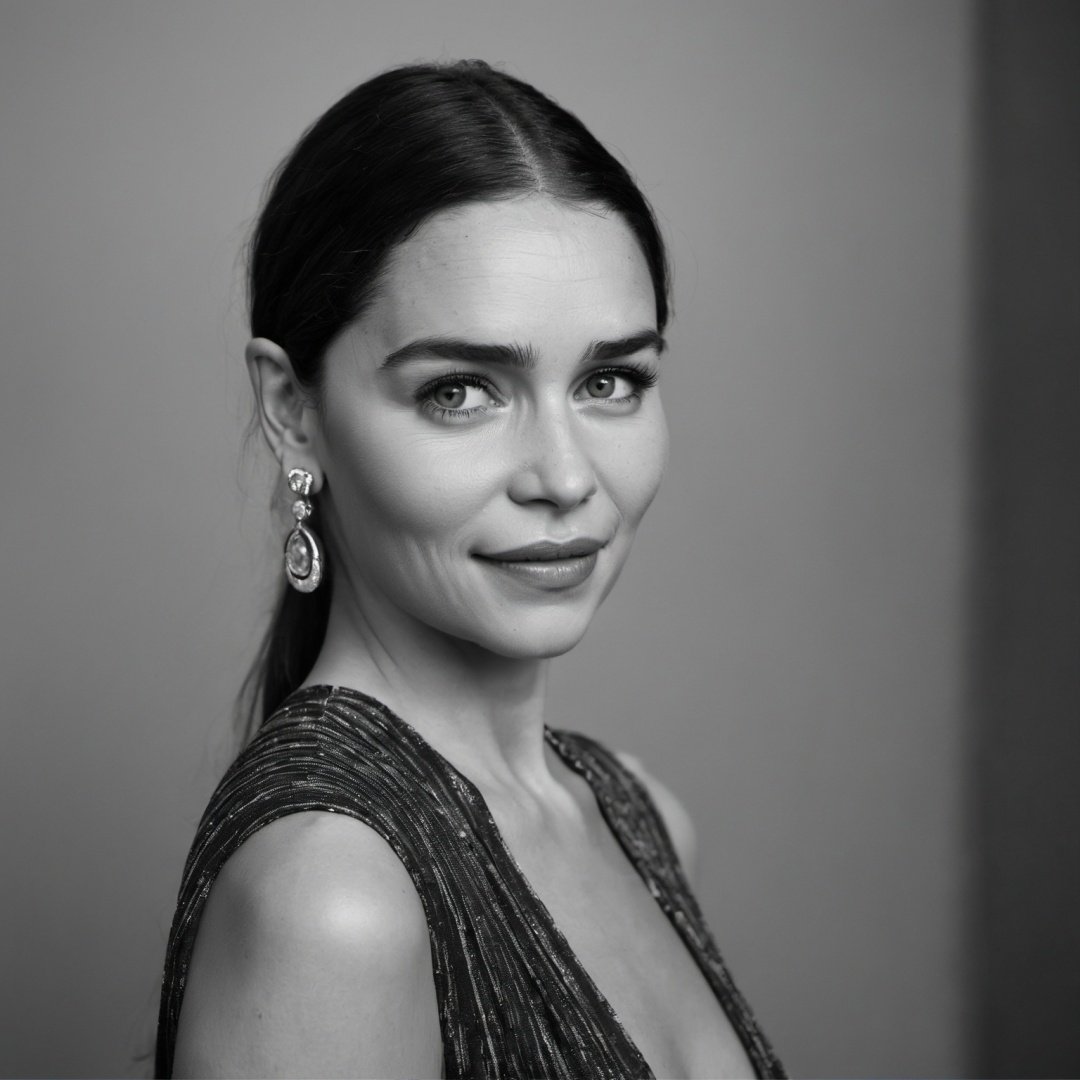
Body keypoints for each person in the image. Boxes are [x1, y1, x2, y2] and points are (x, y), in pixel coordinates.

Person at [156, 60, 785, 1079]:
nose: (566, 475)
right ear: (293, 410)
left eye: (611, 380)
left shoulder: (637, 815)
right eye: (460, 392)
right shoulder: (334, 901)